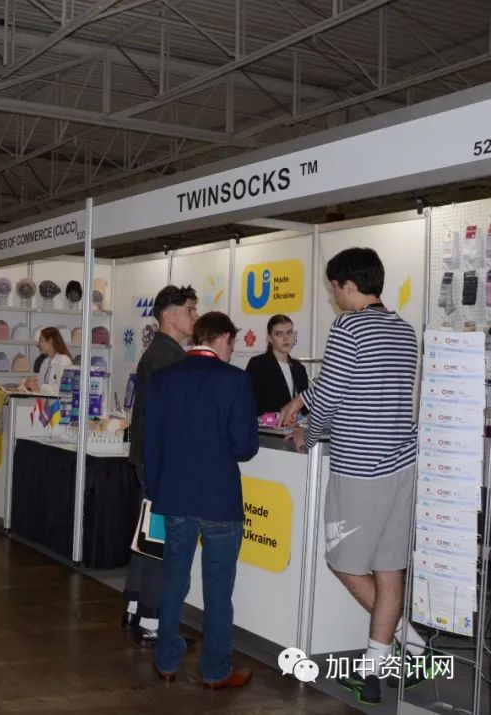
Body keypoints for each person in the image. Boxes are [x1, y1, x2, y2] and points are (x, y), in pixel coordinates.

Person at [280, 248, 423, 705]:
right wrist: (302, 399)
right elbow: (358, 382)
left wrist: (307, 435)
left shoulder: (349, 327)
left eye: (333, 287)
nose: (333, 296)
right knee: (389, 568)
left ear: (348, 285)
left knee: (343, 561)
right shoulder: (404, 330)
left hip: (360, 467)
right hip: (402, 463)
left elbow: (332, 394)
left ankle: (411, 643)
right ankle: (376, 669)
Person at [145, 311, 258, 690]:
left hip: (175, 497)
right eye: (232, 343)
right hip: (219, 498)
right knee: (218, 588)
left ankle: (166, 661)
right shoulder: (235, 380)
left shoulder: (163, 378)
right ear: (223, 337)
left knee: (173, 580)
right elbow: (245, 447)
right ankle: (215, 669)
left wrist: (157, 490)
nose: (232, 350)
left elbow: (151, 442)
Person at [122, 285, 198, 641]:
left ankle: (135, 607)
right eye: (189, 310)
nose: (194, 317)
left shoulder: (161, 353)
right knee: (159, 541)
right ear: (169, 315)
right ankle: (151, 621)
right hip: (162, 462)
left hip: (152, 460)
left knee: (147, 537)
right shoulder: (168, 358)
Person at [245, 314, 309, 415]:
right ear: (269, 338)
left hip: (297, 424)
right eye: (279, 334)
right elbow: (247, 403)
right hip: (265, 424)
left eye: (289, 332)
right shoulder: (257, 365)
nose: (286, 338)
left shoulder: (299, 368)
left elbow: (305, 407)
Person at [24, 327, 73, 393]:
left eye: (41, 340)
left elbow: (63, 389)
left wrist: (40, 388)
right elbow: (39, 385)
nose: (38, 344)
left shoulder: (64, 361)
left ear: (50, 341)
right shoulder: (45, 362)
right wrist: (30, 384)